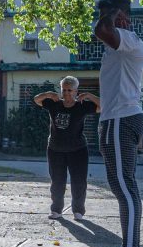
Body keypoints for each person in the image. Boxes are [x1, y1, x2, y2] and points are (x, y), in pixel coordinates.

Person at [91, 0, 143, 247]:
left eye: (108, 15)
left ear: (121, 18)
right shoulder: (120, 46)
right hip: (118, 118)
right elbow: (103, 29)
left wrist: (114, 16)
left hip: (121, 120)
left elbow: (102, 29)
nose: (101, 22)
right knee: (125, 187)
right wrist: (112, 15)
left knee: (124, 188)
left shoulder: (128, 41)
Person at [34, 76, 100, 221]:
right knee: (57, 181)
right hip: (55, 149)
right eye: (64, 90)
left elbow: (103, 106)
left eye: (70, 90)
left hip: (78, 150)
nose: (67, 93)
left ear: (76, 91)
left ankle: (78, 210)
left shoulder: (82, 106)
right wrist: (48, 94)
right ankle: (56, 210)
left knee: (79, 182)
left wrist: (89, 95)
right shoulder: (54, 104)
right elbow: (37, 100)